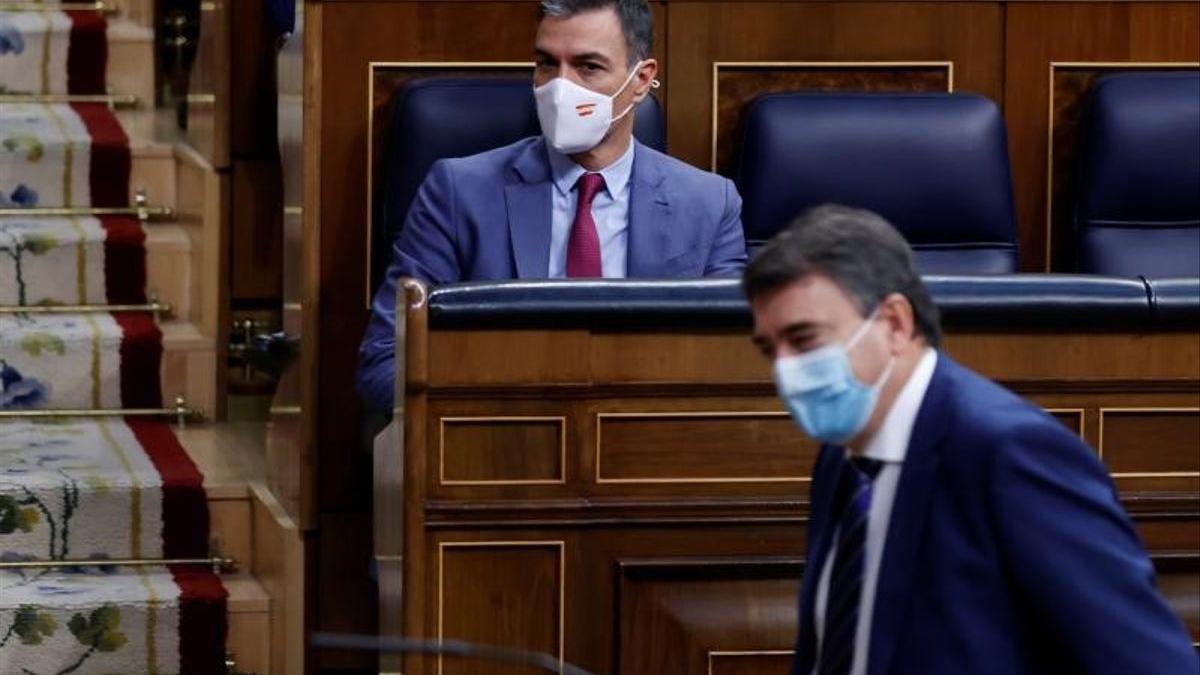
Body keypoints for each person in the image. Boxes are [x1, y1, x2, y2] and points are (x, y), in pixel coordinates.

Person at [744, 205, 1198, 675]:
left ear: (896, 323)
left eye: (804, 340)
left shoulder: (1010, 452)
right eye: (769, 349)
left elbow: (1148, 661)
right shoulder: (843, 457)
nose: (785, 369)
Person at [357, 0, 746, 411]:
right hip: (500, 445)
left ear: (641, 79)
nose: (560, 88)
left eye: (588, 67)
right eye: (546, 63)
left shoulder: (709, 204)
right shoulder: (458, 192)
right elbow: (386, 360)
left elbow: (733, 365)